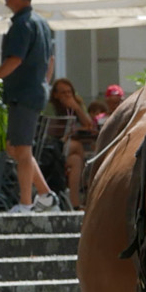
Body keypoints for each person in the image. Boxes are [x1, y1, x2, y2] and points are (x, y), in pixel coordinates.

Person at [0, 0, 56, 213]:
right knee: (15, 148)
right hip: (32, 92)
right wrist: (44, 83)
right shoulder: (40, 23)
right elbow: (50, 59)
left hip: (24, 94)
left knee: (20, 150)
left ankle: (25, 204)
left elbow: (15, 60)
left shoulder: (22, 25)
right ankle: (46, 195)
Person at [44, 76, 98, 204]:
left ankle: (75, 203)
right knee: (78, 147)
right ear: (56, 94)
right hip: (52, 147)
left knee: (77, 160)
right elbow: (51, 130)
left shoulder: (76, 103)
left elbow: (89, 125)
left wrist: (77, 108)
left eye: (69, 92)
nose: (67, 95)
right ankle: (86, 182)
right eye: (63, 93)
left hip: (67, 149)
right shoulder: (50, 106)